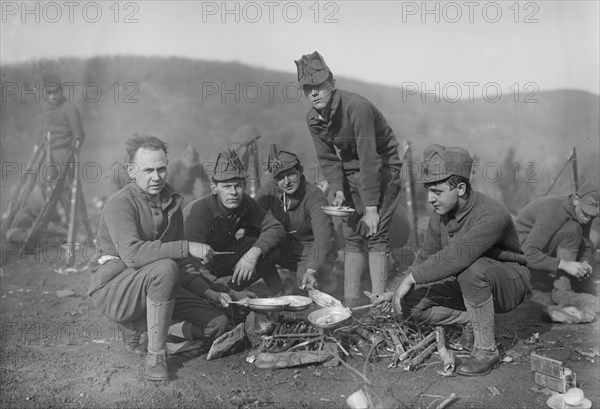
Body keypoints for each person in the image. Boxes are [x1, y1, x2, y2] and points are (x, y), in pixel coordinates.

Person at [371, 144, 531, 377]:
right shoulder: (440, 216)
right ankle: (471, 320)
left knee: (471, 268)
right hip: (469, 283)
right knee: (409, 303)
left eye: (437, 191)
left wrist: (412, 277)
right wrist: (399, 289)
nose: (429, 198)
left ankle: (486, 351)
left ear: (461, 188)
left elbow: (459, 254)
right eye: (428, 190)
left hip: (508, 282)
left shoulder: (492, 213)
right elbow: (427, 256)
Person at [88, 134, 231, 381]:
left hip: (159, 283)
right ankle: (155, 356)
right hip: (116, 290)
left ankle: (144, 326)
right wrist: (186, 246)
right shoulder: (118, 204)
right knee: (165, 268)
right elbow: (132, 255)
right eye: (148, 170)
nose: (157, 177)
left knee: (216, 324)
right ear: (132, 171)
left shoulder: (172, 202)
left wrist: (211, 293)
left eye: (162, 169)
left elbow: (183, 265)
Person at [294, 51, 403, 306]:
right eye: (308, 89)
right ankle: (351, 304)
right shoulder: (313, 118)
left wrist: (372, 207)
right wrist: (338, 189)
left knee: (375, 232)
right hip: (352, 170)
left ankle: (379, 304)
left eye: (319, 86)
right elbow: (328, 160)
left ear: (331, 84)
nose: (314, 94)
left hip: (382, 168)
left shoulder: (357, 108)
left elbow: (370, 159)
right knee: (353, 234)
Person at [183, 148, 287, 295]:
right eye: (226, 186)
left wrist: (252, 254)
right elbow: (192, 266)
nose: (233, 192)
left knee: (270, 249)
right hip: (196, 269)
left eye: (237, 186)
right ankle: (227, 295)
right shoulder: (198, 213)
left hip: (223, 258)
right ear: (214, 188)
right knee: (201, 289)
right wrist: (227, 292)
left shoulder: (244, 202)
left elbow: (276, 228)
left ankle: (275, 293)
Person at [254, 144, 337, 290]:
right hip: (284, 245)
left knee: (305, 288)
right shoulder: (271, 189)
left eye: (291, 174)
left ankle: (323, 279)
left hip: (312, 248)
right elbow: (251, 211)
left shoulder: (314, 196)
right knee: (254, 245)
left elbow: (323, 237)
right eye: (280, 177)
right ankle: (278, 292)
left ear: (300, 171)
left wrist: (312, 270)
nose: (286, 182)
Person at [514, 179, 598, 303]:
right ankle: (561, 293)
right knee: (573, 229)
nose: (588, 218)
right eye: (586, 213)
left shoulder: (582, 213)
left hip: (542, 250)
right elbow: (527, 253)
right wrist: (565, 265)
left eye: (592, 215)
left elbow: (585, 244)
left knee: (590, 288)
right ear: (576, 200)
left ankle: (562, 286)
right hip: (519, 255)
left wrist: (585, 263)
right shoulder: (553, 211)